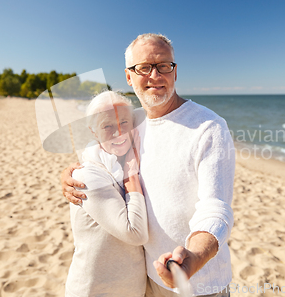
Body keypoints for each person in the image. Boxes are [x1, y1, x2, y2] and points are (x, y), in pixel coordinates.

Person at [61, 33, 235, 296]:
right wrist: (70, 173)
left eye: (164, 65)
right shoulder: (132, 121)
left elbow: (216, 208)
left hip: (198, 281)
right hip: (148, 279)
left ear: (175, 72)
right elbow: (98, 148)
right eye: (144, 67)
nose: (155, 75)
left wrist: (195, 256)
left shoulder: (208, 127)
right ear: (129, 77)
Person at [65, 91, 148, 297]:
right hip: (95, 290)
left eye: (124, 122)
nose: (118, 132)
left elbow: (157, 113)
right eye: (107, 126)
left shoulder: (124, 161)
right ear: (93, 131)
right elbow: (135, 233)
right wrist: (132, 178)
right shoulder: (87, 176)